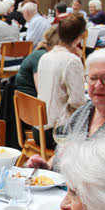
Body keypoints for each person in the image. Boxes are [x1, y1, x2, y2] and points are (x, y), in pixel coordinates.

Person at [35, 14, 88, 145]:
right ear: (78, 38)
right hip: (57, 132)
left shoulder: (45, 57)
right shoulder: (72, 61)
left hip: (38, 128)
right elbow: (77, 101)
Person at [12, 25, 60, 97]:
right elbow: (40, 90)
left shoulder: (46, 53)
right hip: (29, 100)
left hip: (31, 99)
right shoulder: (41, 56)